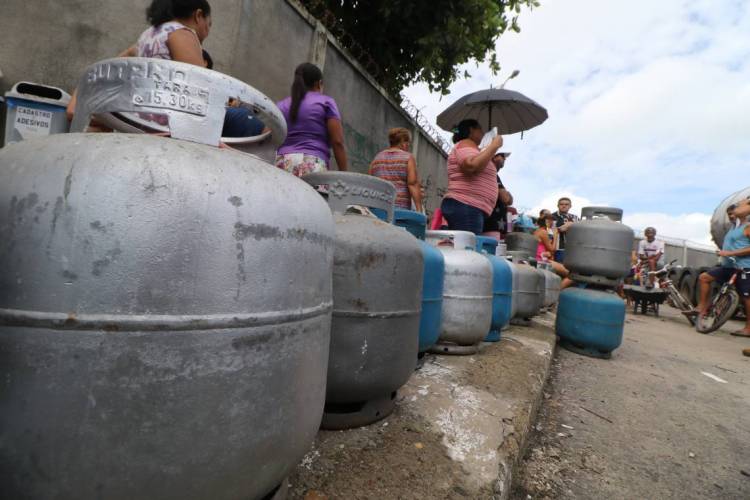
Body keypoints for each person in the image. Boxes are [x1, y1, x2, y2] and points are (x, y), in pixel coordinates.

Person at [66, 0, 263, 137]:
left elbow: (111, 66)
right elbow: (199, 90)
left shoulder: (146, 37)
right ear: (198, 16)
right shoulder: (183, 33)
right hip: (168, 123)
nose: (208, 31)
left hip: (140, 118)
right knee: (246, 120)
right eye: (208, 24)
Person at [276, 63, 348, 176]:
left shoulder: (281, 105)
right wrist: (344, 174)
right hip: (312, 165)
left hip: (282, 163)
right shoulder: (326, 102)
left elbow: (269, 135)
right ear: (319, 83)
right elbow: (337, 142)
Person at [695, 199, 750, 337]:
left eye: (734, 212)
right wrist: (723, 253)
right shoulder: (733, 228)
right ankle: (702, 307)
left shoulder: (747, 227)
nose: (732, 215)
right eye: (729, 214)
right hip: (728, 267)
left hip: (744, 267)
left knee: (747, 298)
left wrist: (730, 253)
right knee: (704, 278)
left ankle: (749, 328)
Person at [440, 119, 503, 234]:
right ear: (471, 130)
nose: (483, 133)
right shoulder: (466, 143)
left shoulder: (472, 148)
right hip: (467, 205)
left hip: (468, 207)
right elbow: (471, 166)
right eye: (480, 129)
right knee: (465, 245)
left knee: (462, 244)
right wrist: (494, 146)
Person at [369, 128, 422, 211]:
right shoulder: (408, 158)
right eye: (408, 142)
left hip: (378, 207)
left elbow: (370, 182)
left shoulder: (377, 158)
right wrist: (419, 209)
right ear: (403, 142)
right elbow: (413, 184)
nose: (408, 145)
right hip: (399, 210)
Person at [533, 210, 573, 286]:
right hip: (541, 260)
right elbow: (552, 249)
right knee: (571, 275)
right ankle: (556, 290)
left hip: (541, 258)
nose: (554, 224)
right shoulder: (543, 232)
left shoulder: (537, 231)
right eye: (553, 222)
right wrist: (555, 235)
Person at [482, 152, 513, 240]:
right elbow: (506, 199)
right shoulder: (489, 172)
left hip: (493, 226)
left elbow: (509, 200)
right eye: (502, 156)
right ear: (494, 157)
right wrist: (507, 194)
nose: (505, 159)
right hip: (490, 225)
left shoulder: (494, 175)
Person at [552, 197, 579, 262]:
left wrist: (570, 225)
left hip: (572, 249)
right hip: (558, 248)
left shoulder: (575, 217)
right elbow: (550, 231)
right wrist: (562, 228)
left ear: (570, 206)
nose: (564, 206)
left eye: (566, 204)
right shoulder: (552, 216)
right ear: (558, 205)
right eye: (561, 204)